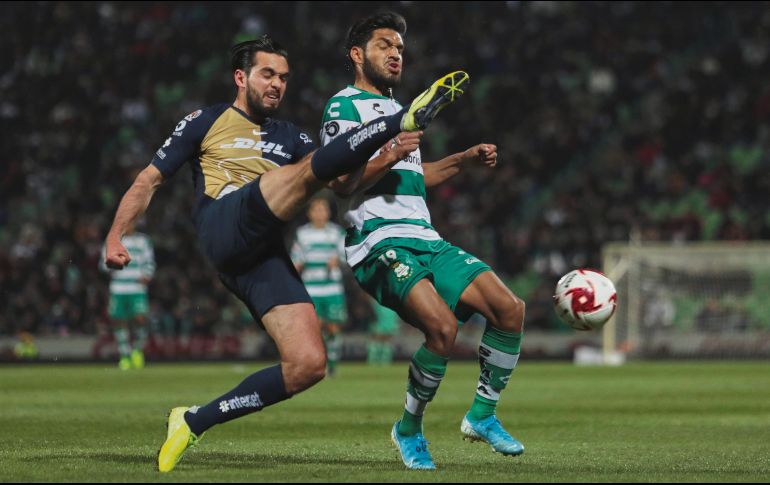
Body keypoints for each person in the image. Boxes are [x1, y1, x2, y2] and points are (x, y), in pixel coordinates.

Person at [102, 34, 469, 473]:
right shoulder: (207, 119)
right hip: (225, 222)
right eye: (267, 74)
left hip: (260, 251)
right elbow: (149, 180)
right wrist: (115, 236)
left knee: (308, 364)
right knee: (302, 174)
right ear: (241, 77)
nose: (277, 84)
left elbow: (343, 184)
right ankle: (402, 117)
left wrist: (391, 158)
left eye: (284, 77)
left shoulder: (293, 136)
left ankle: (192, 420)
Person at [321, 13, 525, 470]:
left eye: (399, 48)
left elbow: (413, 174)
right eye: (384, 45)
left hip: (424, 236)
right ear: (357, 54)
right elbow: (338, 181)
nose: (396, 54)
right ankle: (408, 429)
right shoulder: (344, 107)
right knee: (442, 330)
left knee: (509, 309)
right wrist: (393, 147)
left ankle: (482, 415)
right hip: (376, 241)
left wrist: (463, 160)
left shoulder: (399, 112)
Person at [291, 198, 348, 377]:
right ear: (309, 213)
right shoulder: (302, 234)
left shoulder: (337, 233)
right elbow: (296, 258)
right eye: (316, 210)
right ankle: (320, 360)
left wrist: (337, 260)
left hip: (332, 288)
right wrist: (296, 267)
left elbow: (346, 256)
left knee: (333, 326)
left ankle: (332, 361)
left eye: (322, 209)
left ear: (328, 213)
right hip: (311, 288)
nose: (319, 213)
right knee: (315, 326)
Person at [100, 221, 155, 370]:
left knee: (140, 318)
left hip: (137, 287)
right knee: (118, 320)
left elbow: (149, 261)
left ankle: (137, 351)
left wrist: (147, 275)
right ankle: (125, 355)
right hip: (118, 287)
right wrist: (110, 264)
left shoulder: (142, 241)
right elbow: (103, 264)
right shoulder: (112, 240)